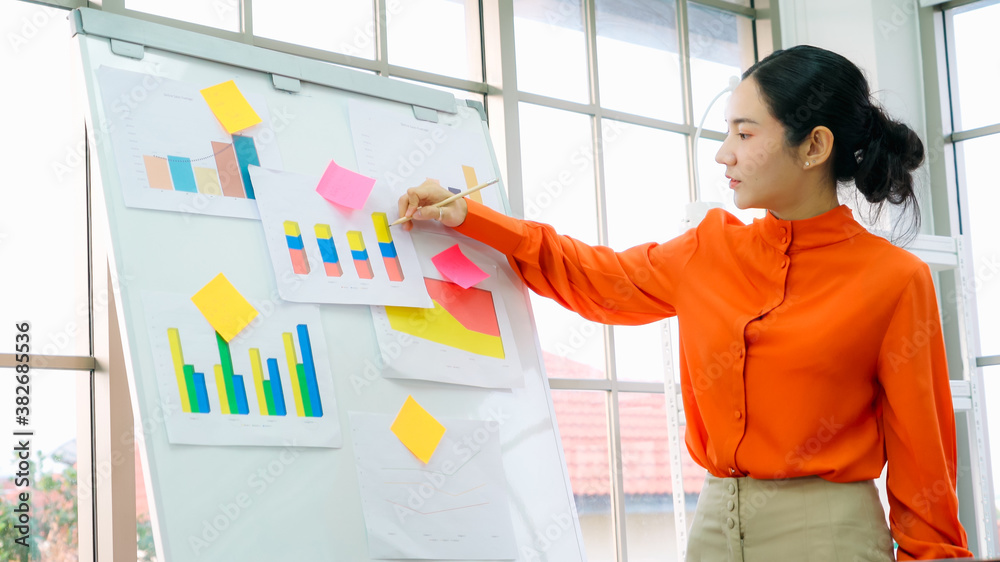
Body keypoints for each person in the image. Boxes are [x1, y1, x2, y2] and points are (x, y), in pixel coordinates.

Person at [397, 45, 971, 561]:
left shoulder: (895, 279)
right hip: (714, 529)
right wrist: (470, 217)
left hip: (828, 535)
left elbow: (925, 458)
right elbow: (596, 278)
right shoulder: (709, 247)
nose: (724, 154)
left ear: (815, 146)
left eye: (745, 134)